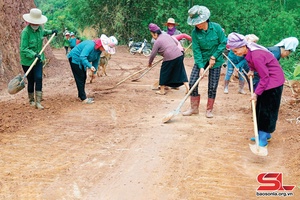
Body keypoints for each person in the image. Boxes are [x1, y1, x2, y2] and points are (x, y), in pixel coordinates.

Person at [227, 32, 285, 147]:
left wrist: (255, 93)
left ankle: (262, 138)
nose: (235, 53)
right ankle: (264, 134)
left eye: (235, 50)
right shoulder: (248, 50)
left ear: (242, 46)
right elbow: (252, 63)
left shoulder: (256, 55)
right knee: (260, 108)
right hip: (268, 79)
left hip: (274, 82)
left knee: (266, 110)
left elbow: (265, 77)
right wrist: (252, 70)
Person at [182, 5, 227, 118]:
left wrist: (214, 56)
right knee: (192, 82)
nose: (196, 25)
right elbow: (196, 51)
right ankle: (194, 108)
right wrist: (201, 67)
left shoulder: (216, 28)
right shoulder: (195, 33)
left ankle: (209, 109)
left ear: (204, 20)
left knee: (212, 86)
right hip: (201, 59)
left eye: (198, 22)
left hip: (215, 61)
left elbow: (223, 43)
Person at [20, 8, 58, 110]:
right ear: (30, 22)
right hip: (27, 61)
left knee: (39, 78)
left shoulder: (40, 29)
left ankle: (38, 102)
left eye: (38, 23)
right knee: (31, 80)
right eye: (34, 23)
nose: (36, 25)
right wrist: (33, 54)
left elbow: (44, 32)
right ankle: (31, 100)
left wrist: (52, 32)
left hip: (38, 60)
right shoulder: (25, 32)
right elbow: (23, 48)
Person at [67, 34, 118, 104]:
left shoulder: (98, 51)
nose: (104, 50)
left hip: (82, 60)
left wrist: (94, 72)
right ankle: (83, 98)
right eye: (105, 48)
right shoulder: (90, 45)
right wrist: (90, 66)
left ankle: (81, 95)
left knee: (83, 77)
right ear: (101, 45)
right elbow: (82, 57)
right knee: (80, 77)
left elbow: (96, 61)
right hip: (75, 58)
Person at [148, 23, 189, 95]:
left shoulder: (157, 41)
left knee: (164, 72)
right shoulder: (166, 35)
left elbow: (153, 54)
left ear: (155, 34)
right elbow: (176, 43)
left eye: (152, 35)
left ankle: (162, 90)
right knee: (181, 71)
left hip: (170, 57)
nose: (153, 37)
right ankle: (187, 87)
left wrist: (149, 63)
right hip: (179, 54)